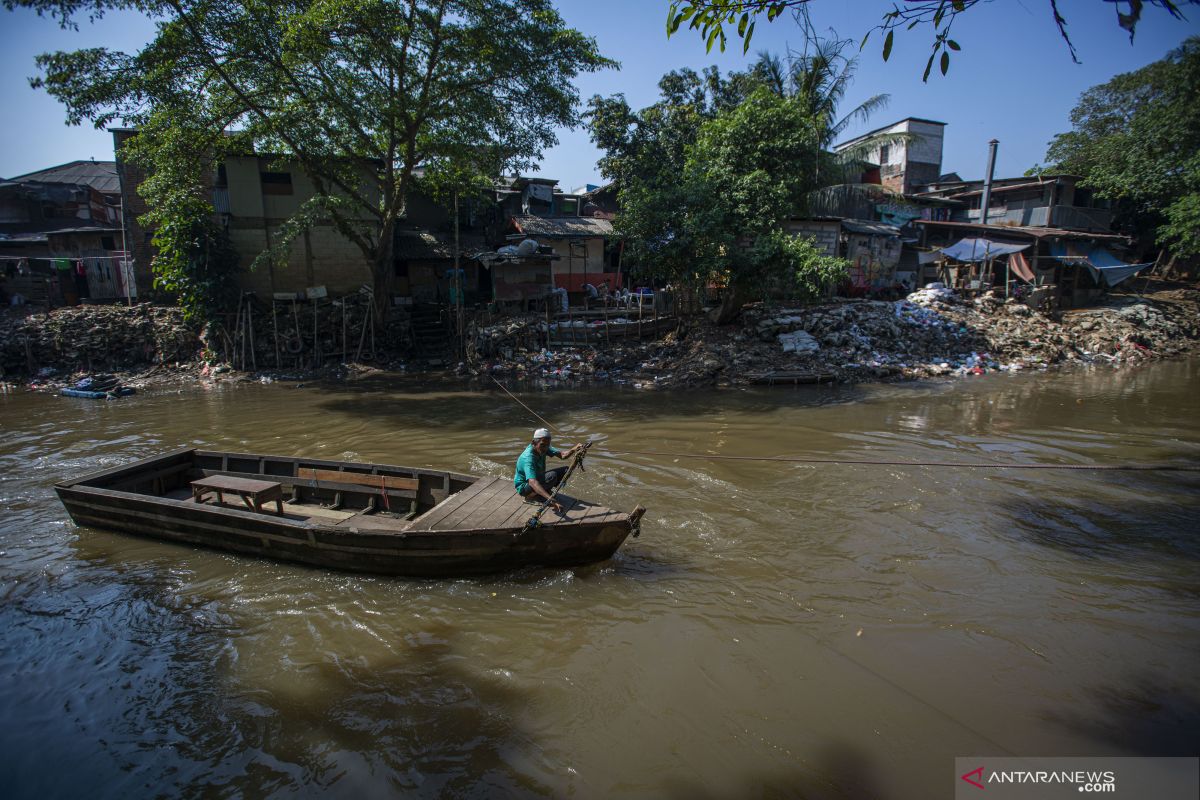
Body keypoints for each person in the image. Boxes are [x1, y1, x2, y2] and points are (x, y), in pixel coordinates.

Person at [513, 428, 584, 511]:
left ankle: (543, 492)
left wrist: (574, 449)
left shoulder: (544, 446)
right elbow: (532, 482)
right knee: (552, 476)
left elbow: (562, 455)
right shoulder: (528, 458)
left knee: (566, 470)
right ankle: (529, 497)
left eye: (548, 445)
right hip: (525, 487)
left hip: (537, 478)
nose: (545, 448)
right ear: (533, 443)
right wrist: (551, 499)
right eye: (543, 445)